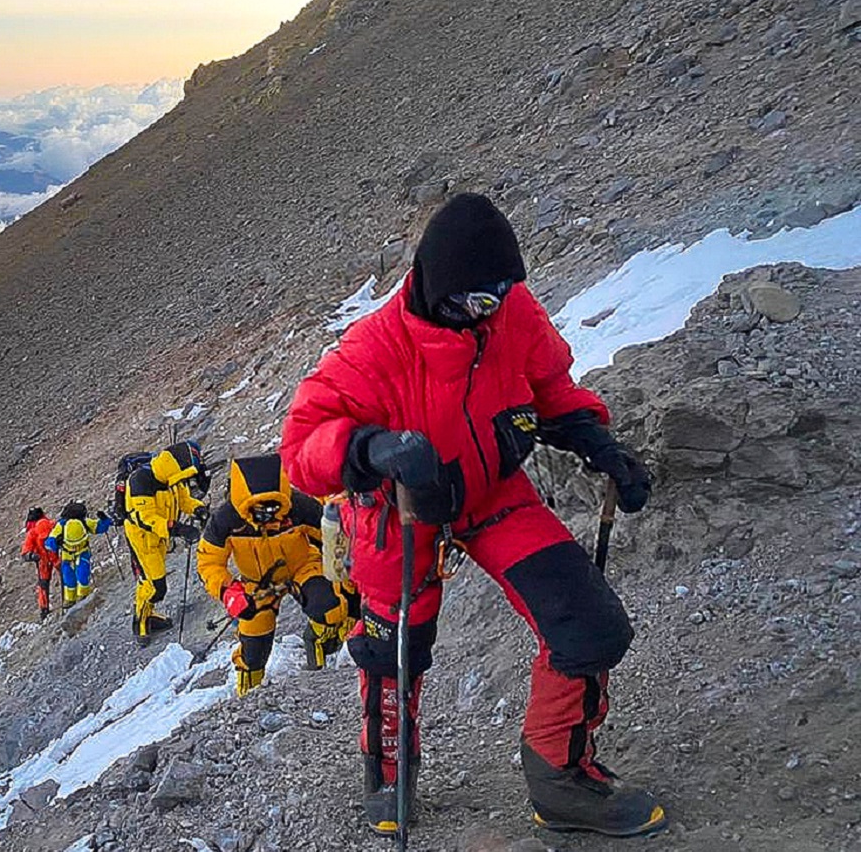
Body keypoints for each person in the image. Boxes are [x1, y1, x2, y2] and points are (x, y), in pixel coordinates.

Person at [280, 193, 662, 837]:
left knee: (588, 623)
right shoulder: (371, 351)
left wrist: (598, 442)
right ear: (438, 287)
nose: (491, 313)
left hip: (492, 493)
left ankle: (561, 784)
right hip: (399, 513)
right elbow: (301, 447)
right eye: (478, 301)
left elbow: (551, 390)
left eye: (502, 296)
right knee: (393, 651)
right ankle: (389, 773)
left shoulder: (510, 311)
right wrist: (368, 447)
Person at [196, 455, 352, 696]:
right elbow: (208, 563)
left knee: (330, 607)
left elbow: (333, 537)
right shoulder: (226, 520)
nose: (270, 516)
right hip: (257, 583)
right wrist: (229, 593)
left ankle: (321, 651)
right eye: (261, 510)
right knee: (253, 644)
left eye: (274, 507)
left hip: (303, 566)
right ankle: (248, 694)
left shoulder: (298, 506)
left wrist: (345, 578)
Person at [123, 440, 208, 646]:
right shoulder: (140, 481)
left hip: (160, 536)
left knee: (153, 580)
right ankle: (140, 622)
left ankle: (148, 614)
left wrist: (198, 508)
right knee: (155, 585)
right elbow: (146, 518)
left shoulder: (172, 480)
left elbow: (184, 500)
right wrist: (178, 529)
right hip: (143, 539)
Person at [45, 500, 111, 608]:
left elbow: (49, 542)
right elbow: (99, 527)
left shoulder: (62, 525)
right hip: (78, 554)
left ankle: (76, 599)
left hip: (71, 555)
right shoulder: (83, 522)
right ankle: (75, 598)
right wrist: (105, 520)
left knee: (77, 575)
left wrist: (54, 543)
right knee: (76, 576)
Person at [20, 507, 59, 621]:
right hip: (43, 559)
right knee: (43, 585)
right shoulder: (34, 533)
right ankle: (44, 609)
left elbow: (25, 553)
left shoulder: (48, 526)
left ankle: (68, 599)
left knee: (64, 575)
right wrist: (32, 556)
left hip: (53, 555)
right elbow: (25, 553)